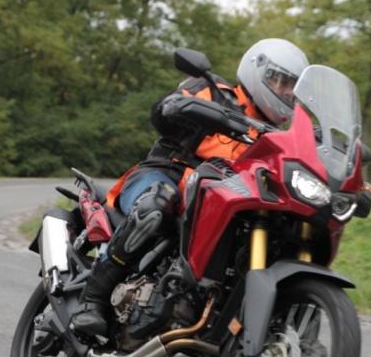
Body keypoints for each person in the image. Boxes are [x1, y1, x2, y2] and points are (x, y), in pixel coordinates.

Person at [69, 38, 310, 338]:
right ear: (256, 70)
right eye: (280, 81)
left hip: (222, 201)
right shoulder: (214, 92)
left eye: (292, 86)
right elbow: (164, 112)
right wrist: (178, 107)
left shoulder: (284, 139)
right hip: (165, 175)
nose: (286, 92)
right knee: (156, 206)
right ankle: (92, 298)